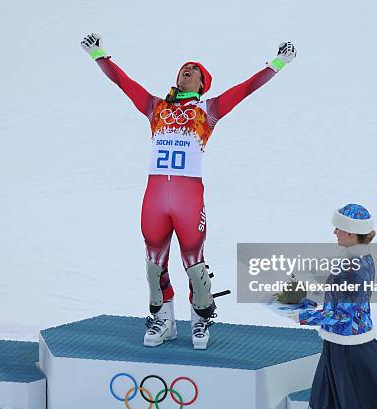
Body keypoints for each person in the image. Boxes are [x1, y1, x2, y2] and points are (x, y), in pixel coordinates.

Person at [81, 33, 296, 349]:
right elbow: (123, 82)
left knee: (196, 269)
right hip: (154, 197)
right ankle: (163, 321)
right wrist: (98, 53)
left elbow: (247, 89)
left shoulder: (209, 110)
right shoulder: (156, 107)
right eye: (184, 68)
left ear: (202, 84)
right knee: (154, 268)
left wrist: (279, 62)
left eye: (194, 70)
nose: (187, 70)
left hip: (188, 198)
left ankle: (200, 322)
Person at [289, 204, 377, 409]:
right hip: (341, 342)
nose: (334, 232)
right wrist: (310, 301)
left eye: (338, 228)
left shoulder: (351, 267)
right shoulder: (360, 257)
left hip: (349, 348)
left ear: (350, 232)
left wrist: (302, 316)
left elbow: (342, 316)